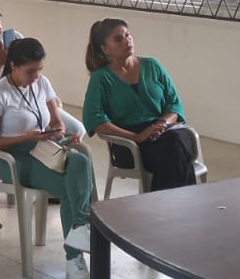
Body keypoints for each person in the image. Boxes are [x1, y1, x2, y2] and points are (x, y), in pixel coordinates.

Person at [0, 38, 94, 279]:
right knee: (70, 186)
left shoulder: (42, 83)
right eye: (30, 71)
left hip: (44, 149)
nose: (36, 76)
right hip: (16, 160)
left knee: (80, 161)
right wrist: (27, 137)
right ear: (13, 66)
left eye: (40, 70)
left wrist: (60, 134)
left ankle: (79, 228)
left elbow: (56, 121)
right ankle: (74, 255)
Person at [82, 17, 198, 191]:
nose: (127, 40)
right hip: (129, 144)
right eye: (118, 39)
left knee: (176, 141)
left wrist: (162, 123)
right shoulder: (101, 78)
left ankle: (163, 203)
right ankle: (181, 201)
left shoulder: (152, 65)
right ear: (105, 49)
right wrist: (137, 137)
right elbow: (94, 119)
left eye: (127, 35)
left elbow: (174, 103)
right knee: (175, 149)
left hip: (163, 131)